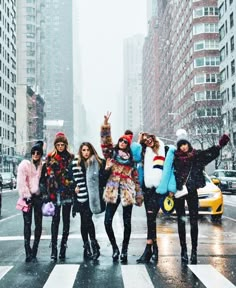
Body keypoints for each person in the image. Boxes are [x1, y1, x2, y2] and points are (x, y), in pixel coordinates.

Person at [173, 129, 230, 265]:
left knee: (193, 222)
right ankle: (183, 251)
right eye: (181, 145)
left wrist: (220, 145)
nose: (183, 147)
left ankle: (194, 251)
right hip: (179, 192)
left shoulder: (196, 155)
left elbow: (209, 154)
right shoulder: (174, 157)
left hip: (192, 191)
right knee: (181, 222)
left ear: (189, 144)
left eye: (185, 144)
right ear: (178, 146)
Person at [100, 112, 143, 263]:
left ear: (128, 146)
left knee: (127, 223)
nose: (123, 143)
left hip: (127, 192)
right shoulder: (111, 155)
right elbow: (105, 141)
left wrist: (138, 196)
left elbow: (136, 180)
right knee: (107, 222)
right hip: (112, 191)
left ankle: (124, 250)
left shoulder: (131, 162)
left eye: (125, 142)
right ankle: (114, 248)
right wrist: (106, 124)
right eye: (121, 141)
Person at [69, 142, 109, 261]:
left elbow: (102, 181)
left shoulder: (97, 162)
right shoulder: (76, 164)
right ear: (81, 152)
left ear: (91, 151)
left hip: (92, 197)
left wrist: (106, 170)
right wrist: (73, 187)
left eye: (88, 150)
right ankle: (88, 245)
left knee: (87, 219)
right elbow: (70, 179)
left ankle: (93, 245)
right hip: (80, 197)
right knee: (84, 221)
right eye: (83, 150)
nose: (86, 152)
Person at [43, 132, 74, 261]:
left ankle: (63, 247)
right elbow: (47, 176)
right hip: (55, 193)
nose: (60, 147)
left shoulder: (70, 157)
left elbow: (73, 174)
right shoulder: (50, 157)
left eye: (62, 144)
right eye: (58, 144)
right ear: (55, 145)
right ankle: (54, 248)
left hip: (67, 192)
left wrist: (69, 182)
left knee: (66, 221)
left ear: (66, 145)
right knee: (55, 221)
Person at [136, 132, 165, 264]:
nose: (148, 140)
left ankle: (150, 248)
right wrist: (138, 140)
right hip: (147, 189)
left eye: (149, 138)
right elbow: (136, 155)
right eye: (145, 140)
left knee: (151, 218)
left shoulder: (160, 148)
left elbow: (159, 169)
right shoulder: (145, 152)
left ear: (153, 137)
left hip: (157, 189)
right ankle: (154, 249)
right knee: (150, 219)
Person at [17, 141, 44, 262]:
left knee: (38, 225)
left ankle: (34, 250)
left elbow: (45, 182)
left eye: (38, 152)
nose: (36, 154)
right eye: (34, 152)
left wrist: (42, 193)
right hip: (27, 198)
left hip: (38, 198)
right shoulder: (25, 165)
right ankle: (27, 250)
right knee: (27, 225)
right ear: (31, 153)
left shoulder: (43, 166)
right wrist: (26, 195)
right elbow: (21, 182)